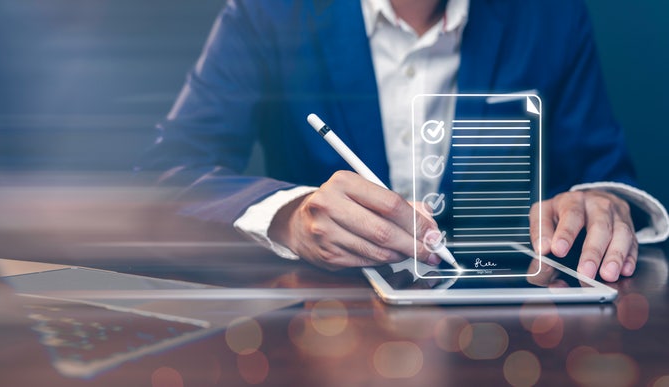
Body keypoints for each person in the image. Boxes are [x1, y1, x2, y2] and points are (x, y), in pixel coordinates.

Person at [138, 0, 668, 281]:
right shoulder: (268, 10)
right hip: (322, 336)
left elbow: (603, 176)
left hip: (512, 337)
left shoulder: (551, 14)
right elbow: (169, 175)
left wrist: (602, 204)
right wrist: (289, 217)